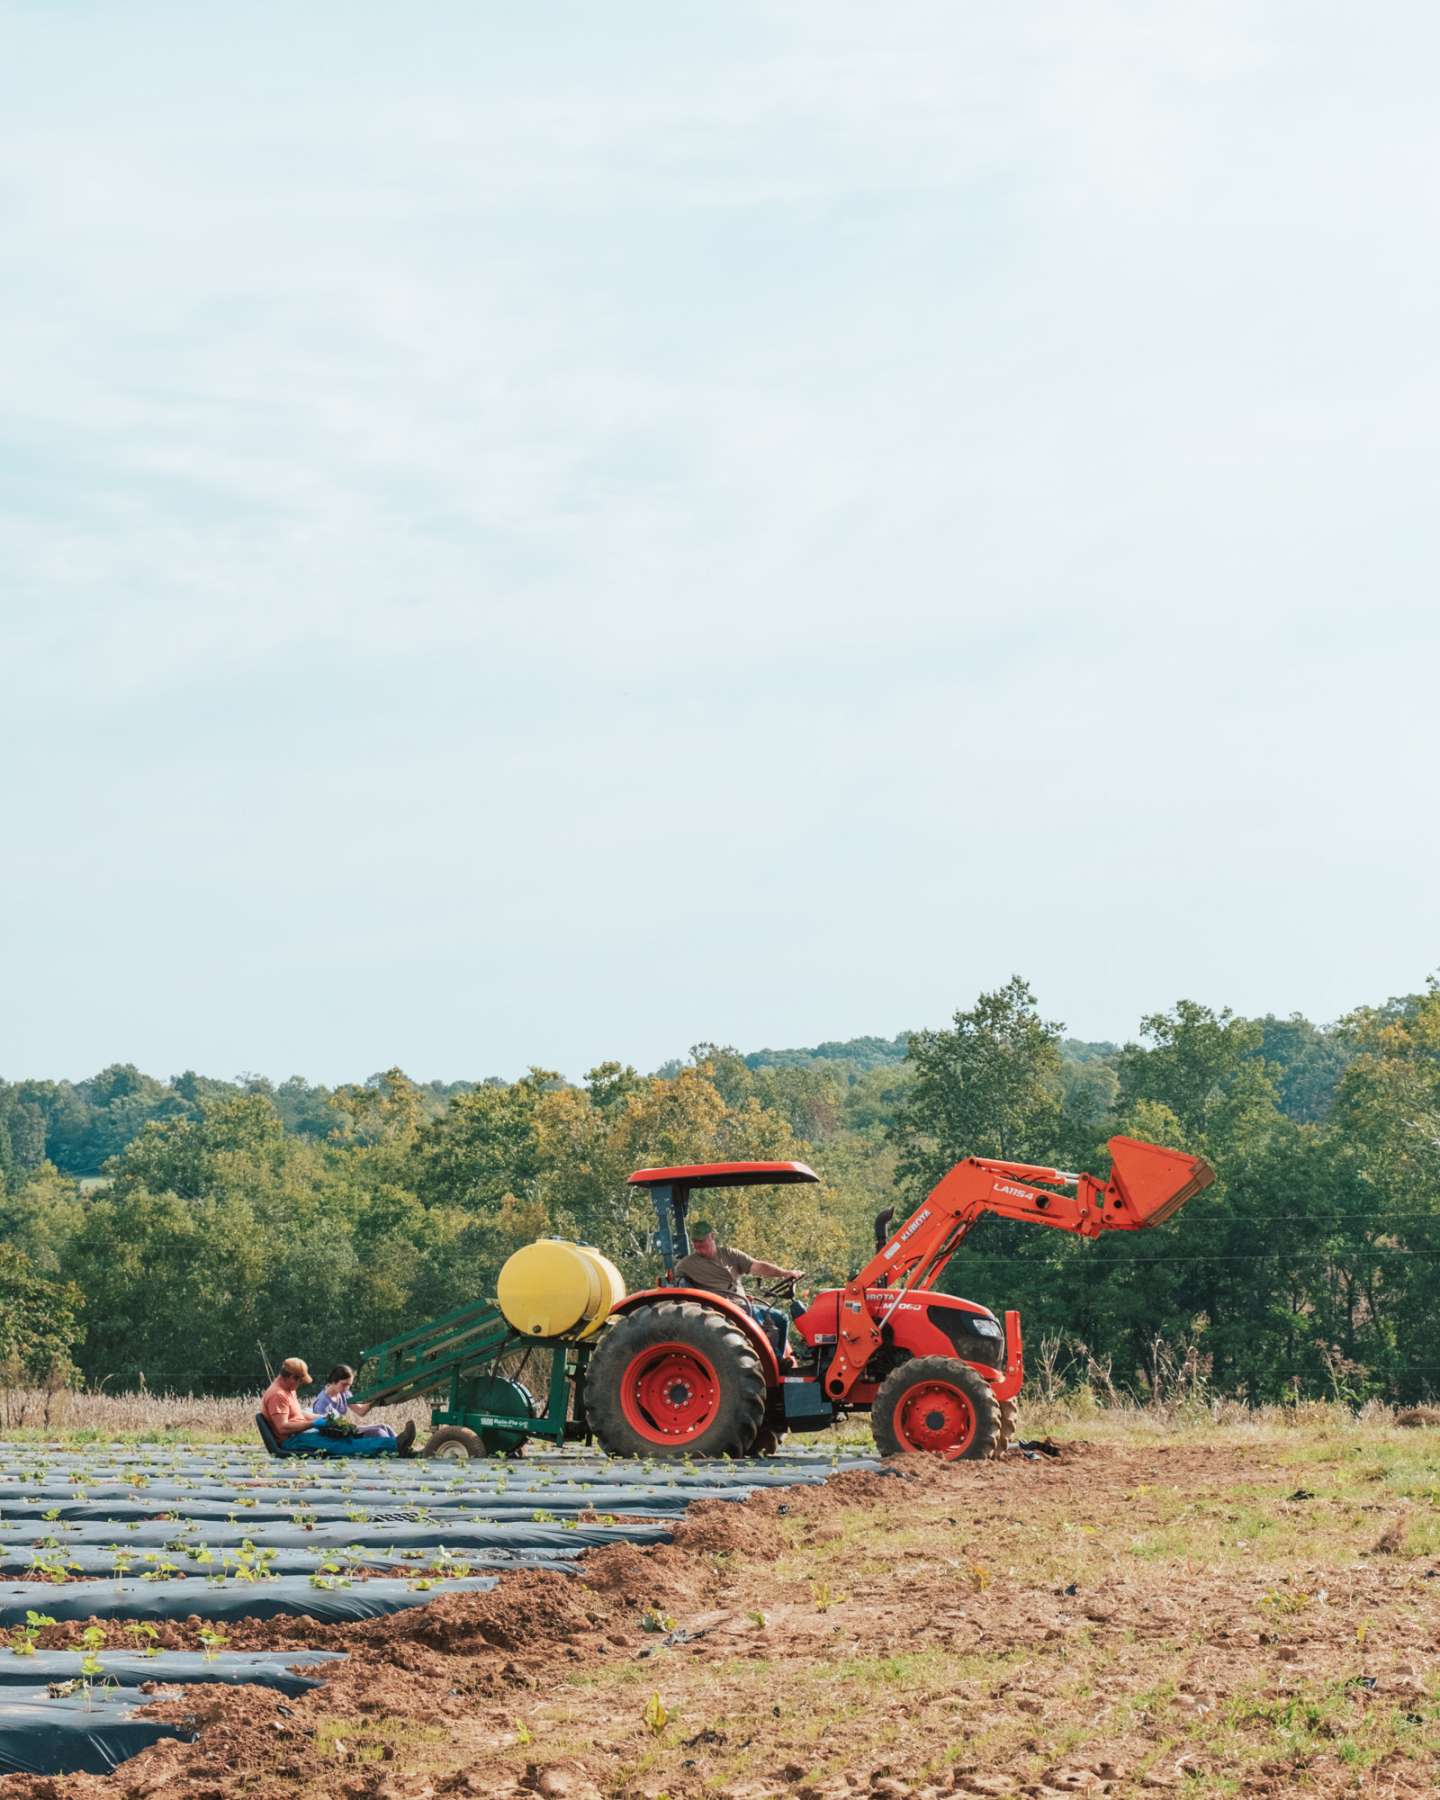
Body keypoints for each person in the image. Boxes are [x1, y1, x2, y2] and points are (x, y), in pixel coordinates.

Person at [672, 1221, 802, 1360]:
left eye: (701, 1241)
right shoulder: (686, 1265)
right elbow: (674, 1285)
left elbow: (757, 1266)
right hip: (723, 1308)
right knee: (757, 1319)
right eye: (695, 1242)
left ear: (712, 1236)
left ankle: (779, 1361)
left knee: (781, 1318)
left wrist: (784, 1273)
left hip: (743, 1304)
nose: (698, 1245)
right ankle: (774, 1359)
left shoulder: (729, 1254)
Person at [260, 1357, 416, 1458]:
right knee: (343, 1445)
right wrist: (313, 1423)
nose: (300, 1385)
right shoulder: (277, 1395)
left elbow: (296, 1414)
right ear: (291, 1377)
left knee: (346, 1438)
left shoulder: (288, 1389)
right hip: (292, 1442)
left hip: (300, 1435)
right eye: (299, 1381)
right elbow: (283, 1428)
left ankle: (401, 1448)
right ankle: (396, 1444)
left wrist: (322, 1418)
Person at [312, 1364, 405, 1444]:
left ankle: (402, 1445)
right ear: (334, 1381)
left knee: (384, 1426)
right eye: (344, 1384)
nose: (347, 1388)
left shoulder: (343, 1393)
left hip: (345, 1429)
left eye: (349, 1385)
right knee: (378, 1432)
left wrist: (375, 1399)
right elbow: (325, 1429)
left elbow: (360, 1411)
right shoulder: (322, 1402)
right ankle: (394, 1447)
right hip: (336, 1435)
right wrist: (349, 1430)